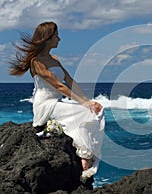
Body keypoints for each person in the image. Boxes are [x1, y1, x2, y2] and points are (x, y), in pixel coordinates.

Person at [9, 21, 105, 180]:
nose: (59, 39)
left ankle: (86, 156)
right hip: (45, 105)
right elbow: (59, 86)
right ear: (47, 38)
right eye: (56, 36)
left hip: (58, 102)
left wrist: (88, 101)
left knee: (94, 111)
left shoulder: (54, 59)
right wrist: (84, 103)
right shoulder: (36, 62)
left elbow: (70, 81)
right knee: (83, 111)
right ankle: (85, 157)